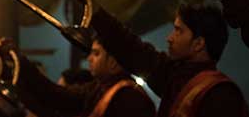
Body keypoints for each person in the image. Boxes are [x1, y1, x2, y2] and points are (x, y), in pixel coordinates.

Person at [91, 2, 249, 117]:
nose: (169, 38)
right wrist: (91, 6)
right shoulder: (173, 75)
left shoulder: (219, 93)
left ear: (198, 43)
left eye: (178, 31)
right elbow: (129, 47)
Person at [11, 38, 155, 117]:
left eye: (96, 54)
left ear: (113, 61)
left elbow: (55, 96)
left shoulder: (129, 97)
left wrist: (20, 63)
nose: (89, 58)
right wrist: (18, 64)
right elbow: (55, 95)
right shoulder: (99, 87)